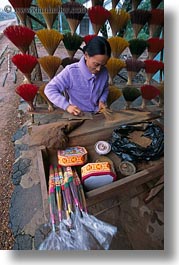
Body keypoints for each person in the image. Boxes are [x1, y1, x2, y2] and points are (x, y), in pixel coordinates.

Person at [44, 36, 111, 116]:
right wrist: (67, 106)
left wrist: (102, 100)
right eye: (96, 64)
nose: (99, 69)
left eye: (103, 65)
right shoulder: (71, 72)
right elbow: (50, 89)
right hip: (78, 115)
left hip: (97, 114)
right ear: (86, 55)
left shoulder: (104, 72)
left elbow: (105, 88)